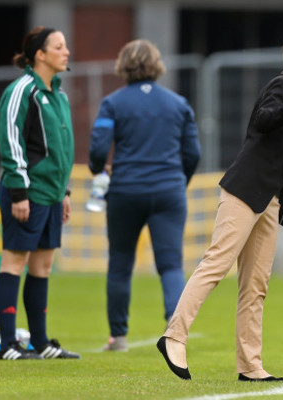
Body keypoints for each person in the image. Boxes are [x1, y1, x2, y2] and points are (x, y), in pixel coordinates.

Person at [156, 23, 283, 381]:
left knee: (256, 285)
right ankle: (173, 336)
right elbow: (262, 122)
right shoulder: (282, 87)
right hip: (244, 192)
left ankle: (250, 366)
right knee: (216, 265)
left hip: (270, 201)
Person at [89, 39, 201, 351]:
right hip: (169, 190)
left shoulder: (113, 103)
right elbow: (193, 153)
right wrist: (179, 181)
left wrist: (101, 170)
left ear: (123, 65)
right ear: (156, 64)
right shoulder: (178, 103)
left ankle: (118, 337)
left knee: (120, 263)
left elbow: (98, 149)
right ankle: (176, 334)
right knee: (170, 265)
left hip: (125, 190)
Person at [0, 26, 79, 360]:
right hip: (27, 193)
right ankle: (7, 345)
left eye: (66, 45)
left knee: (42, 267)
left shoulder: (59, 95)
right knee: (14, 262)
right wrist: (18, 193)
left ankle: (40, 343)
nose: (67, 51)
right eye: (59, 46)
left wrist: (65, 191)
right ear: (39, 55)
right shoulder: (22, 90)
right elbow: (11, 140)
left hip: (52, 194)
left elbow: (63, 148)